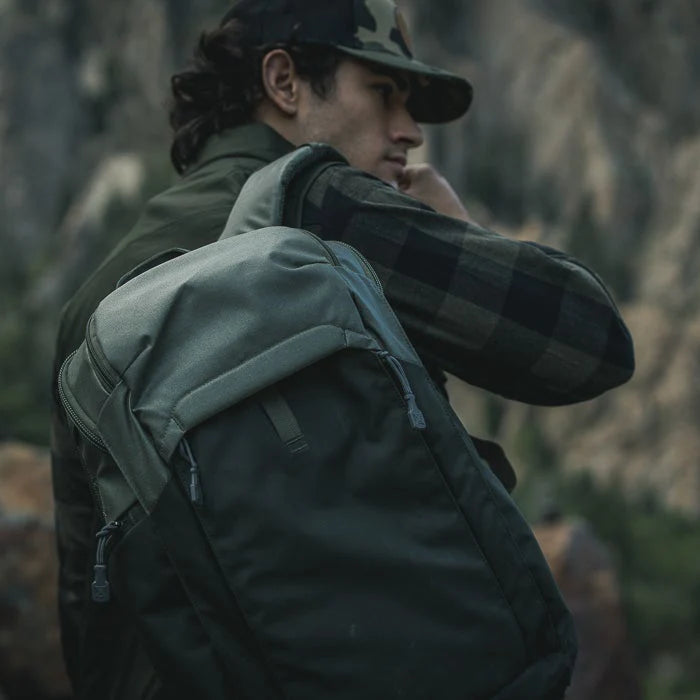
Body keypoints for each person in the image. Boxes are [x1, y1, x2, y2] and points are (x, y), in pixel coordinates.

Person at [50, 0, 635, 697]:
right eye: (383, 92)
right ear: (285, 82)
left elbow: (87, 597)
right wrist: (460, 233)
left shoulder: (95, 300)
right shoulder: (326, 215)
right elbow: (589, 341)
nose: (409, 131)